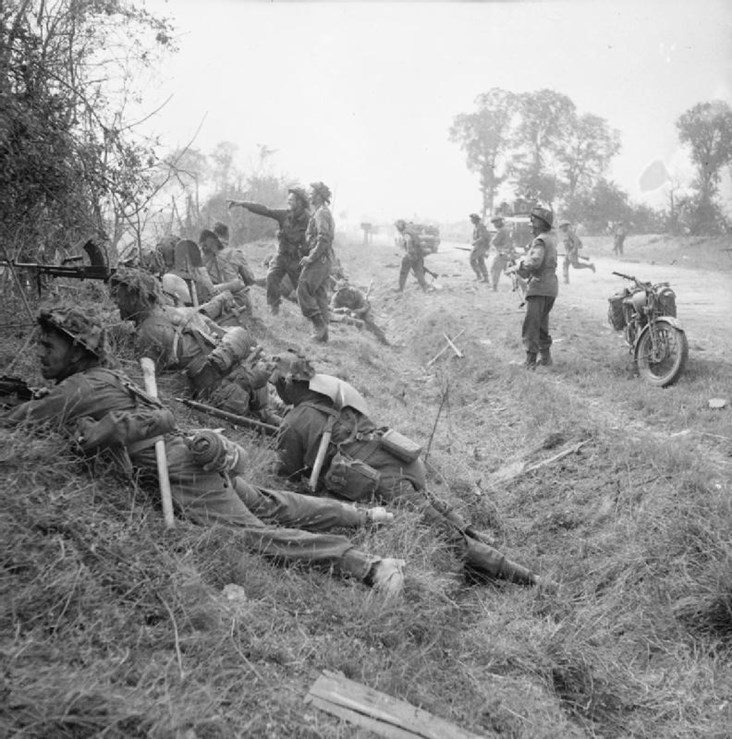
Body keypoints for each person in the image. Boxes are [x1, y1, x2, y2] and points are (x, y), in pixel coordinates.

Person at [2, 306, 405, 597]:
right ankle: (362, 515)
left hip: (182, 470)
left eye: (47, 344)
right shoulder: (105, 376)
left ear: (75, 351)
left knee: (254, 535)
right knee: (270, 504)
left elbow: (20, 421)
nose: (39, 351)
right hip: (191, 453)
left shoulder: (79, 389)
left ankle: (369, 566)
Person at [269, 353, 546, 587]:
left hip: (383, 478)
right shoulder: (333, 398)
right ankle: (475, 534)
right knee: (430, 504)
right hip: (400, 459)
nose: (277, 393)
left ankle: (530, 579)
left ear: (288, 384)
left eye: (277, 385)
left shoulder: (295, 420)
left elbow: (286, 473)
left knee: (444, 535)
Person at [108, 268, 282, 426]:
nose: (116, 302)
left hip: (223, 392)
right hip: (235, 375)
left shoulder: (149, 332)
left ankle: (267, 413)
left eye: (120, 296)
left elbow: (157, 382)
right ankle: (269, 413)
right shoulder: (170, 311)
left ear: (134, 298)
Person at [227, 188, 310, 316]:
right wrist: (242, 203)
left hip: (296, 259)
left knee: (301, 288)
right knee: (271, 276)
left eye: (292, 199)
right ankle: (274, 307)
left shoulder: (309, 220)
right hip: (282, 256)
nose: (289, 201)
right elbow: (265, 210)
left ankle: (312, 313)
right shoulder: (284, 214)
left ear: (300, 202)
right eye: (289, 199)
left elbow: (317, 239)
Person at [508, 204, 558, 369]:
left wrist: (517, 267)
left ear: (540, 223)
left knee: (531, 324)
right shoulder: (549, 238)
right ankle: (545, 358)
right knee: (542, 323)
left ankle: (530, 362)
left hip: (540, 286)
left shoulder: (540, 240)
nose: (530, 224)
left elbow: (535, 262)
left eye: (532, 221)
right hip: (550, 287)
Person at [298, 182, 335, 343]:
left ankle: (319, 326)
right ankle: (323, 334)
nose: (310, 195)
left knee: (303, 287)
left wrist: (311, 257)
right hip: (324, 259)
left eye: (312, 193)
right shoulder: (321, 212)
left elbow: (323, 238)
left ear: (319, 195)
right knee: (320, 294)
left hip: (319, 259)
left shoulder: (321, 213)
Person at [200, 228, 257, 320]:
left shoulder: (202, 256)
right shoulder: (236, 253)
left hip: (210, 302)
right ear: (227, 237)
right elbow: (250, 280)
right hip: (236, 302)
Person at [329, 278, 389, 345]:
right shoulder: (336, 297)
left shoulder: (355, 293)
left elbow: (365, 306)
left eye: (344, 290)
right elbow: (332, 309)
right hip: (347, 315)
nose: (343, 292)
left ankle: (383, 340)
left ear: (348, 289)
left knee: (369, 322)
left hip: (360, 312)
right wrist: (342, 309)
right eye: (341, 291)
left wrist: (358, 311)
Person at [395, 219, 428, 292]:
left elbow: (409, 241)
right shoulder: (411, 231)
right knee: (419, 272)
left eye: (397, 227)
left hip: (411, 255)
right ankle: (425, 288)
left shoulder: (406, 232)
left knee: (403, 272)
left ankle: (400, 289)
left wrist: (409, 253)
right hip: (418, 255)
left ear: (399, 227)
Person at [489, 216, 514, 291]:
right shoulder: (507, 229)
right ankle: (517, 285)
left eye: (495, 223)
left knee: (494, 269)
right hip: (509, 252)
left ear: (500, 222)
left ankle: (494, 288)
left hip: (502, 253)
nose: (494, 225)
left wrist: (493, 240)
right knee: (508, 271)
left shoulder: (501, 230)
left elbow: (495, 241)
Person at [468, 213, 490, 283]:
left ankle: (479, 276)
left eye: (472, 219)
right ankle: (485, 278)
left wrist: (475, 242)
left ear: (476, 219)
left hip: (481, 246)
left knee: (472, 260)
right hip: (479, 246)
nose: (471, 220)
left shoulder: (480, 226)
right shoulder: (477, 226)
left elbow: (483, 237)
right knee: (481, 262)